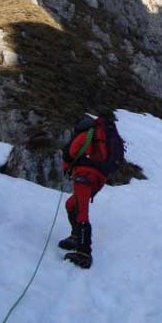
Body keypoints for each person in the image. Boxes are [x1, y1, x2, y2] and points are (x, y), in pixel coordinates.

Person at [58, 113, 113, 269]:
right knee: (71, 204)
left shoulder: (84, 134)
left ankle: (84, 253)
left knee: (82, 211)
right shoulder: (101, 136)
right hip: (99, 178)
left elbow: (70, 152)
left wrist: (66, 168)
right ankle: (76, 236)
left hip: (84, 175)